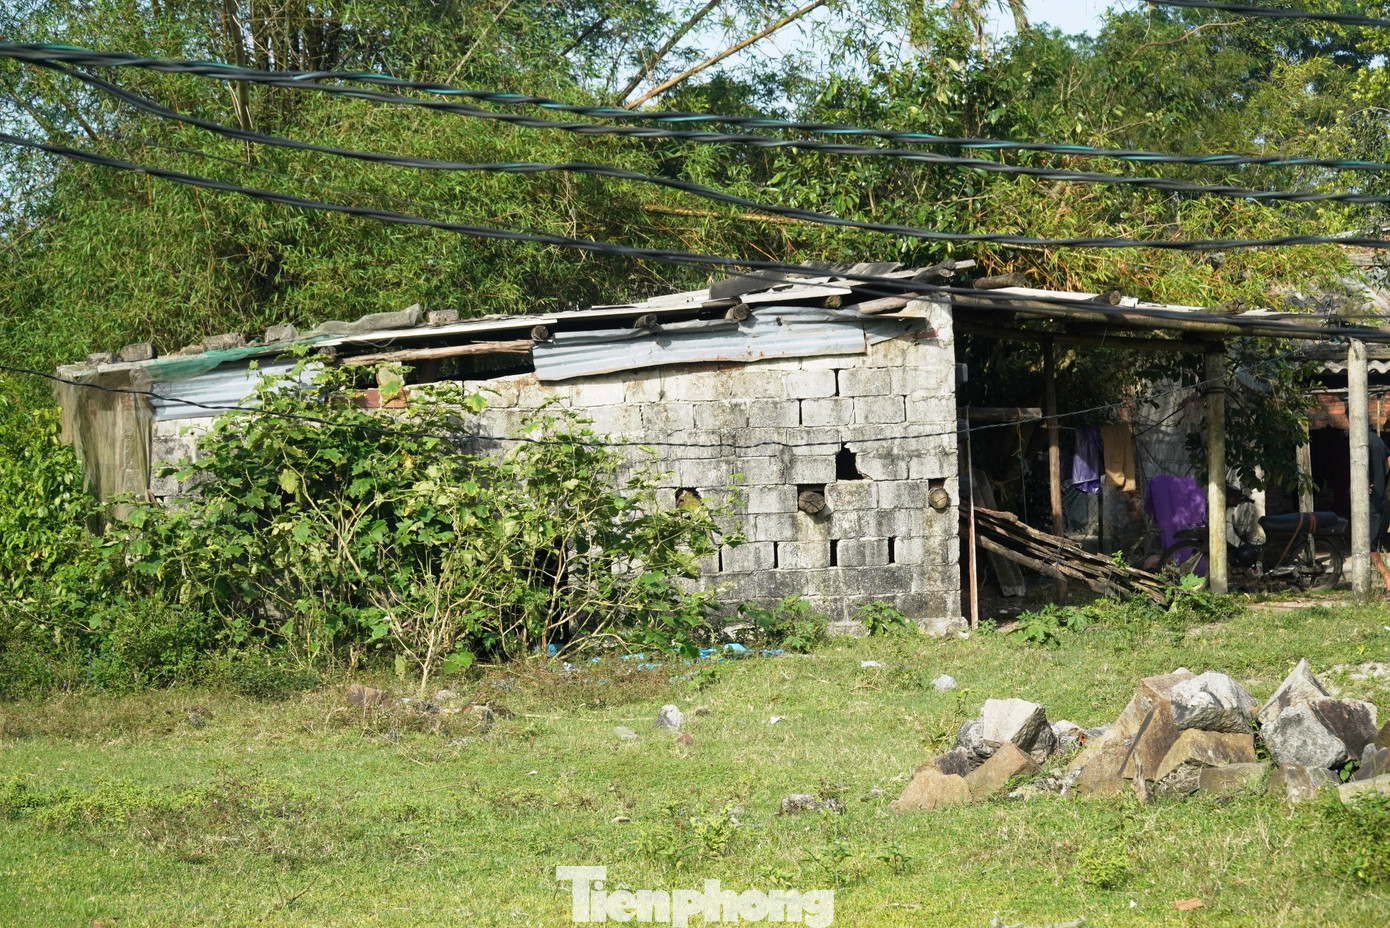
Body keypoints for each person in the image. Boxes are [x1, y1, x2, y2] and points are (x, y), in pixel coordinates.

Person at [1369, 427, 1390, 594]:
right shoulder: (1378, 441)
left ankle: (1388, 580)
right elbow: (1388, 460)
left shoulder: (1362, 443)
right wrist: (1381, 478)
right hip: (1379, 497)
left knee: (1368, 546)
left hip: (1370, 502)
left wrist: (1368, 482)